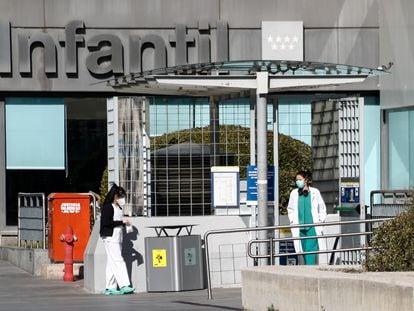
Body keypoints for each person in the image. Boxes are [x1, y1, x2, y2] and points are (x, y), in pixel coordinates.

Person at [100, 183, 135, 295]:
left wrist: (124, 224)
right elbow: (107, 223)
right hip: (110, 237)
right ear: (115, 196)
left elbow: (116, 222)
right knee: (118, 260)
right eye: (121, 197)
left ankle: (110, 287)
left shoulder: (118, 208)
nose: (122, 199)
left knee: (112, 262)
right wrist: (121, 222)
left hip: (117, 237)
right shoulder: (108, 207)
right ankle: (124, 285)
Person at [287, 171, 327, 265]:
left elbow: (322, 208)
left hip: (312, 227)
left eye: (300, 179)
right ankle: (308, 269)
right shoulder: (294, 193)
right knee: (303, 250)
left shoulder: (315, 192)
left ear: (306, 180)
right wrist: (292, 220)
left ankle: (310, 270)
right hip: (299, 227)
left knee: (310, 250)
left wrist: (320, 221)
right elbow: (290, 209)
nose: (298, 182)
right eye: (297, 180)